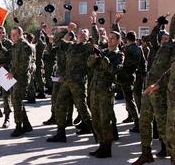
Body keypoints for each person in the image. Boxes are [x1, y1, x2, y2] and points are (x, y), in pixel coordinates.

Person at [132, 14, 175, 165]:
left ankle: (169, 152)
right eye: (162, 38)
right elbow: (152, 36)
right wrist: (159, 24)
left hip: (161, 91)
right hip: (149, 89)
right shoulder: (160, 47)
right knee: (144, 121)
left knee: (164, 127)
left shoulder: (173, 48)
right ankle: (146, 153)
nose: (163, 40)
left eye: (166, 38)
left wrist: (158, 85)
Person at [47, 22, 96, 142]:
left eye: (85, 31)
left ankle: (97, 133)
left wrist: (93, 25)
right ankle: (60, 133)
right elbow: (57, 41)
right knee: (60, 104)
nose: (82, 32)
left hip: (78, 82)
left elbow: (95, 40)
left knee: (82, 108)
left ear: (87, 36)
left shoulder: (87, 47)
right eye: (81, 30)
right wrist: (67, 31)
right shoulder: (71, 46)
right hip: (67, 80)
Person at [88, 30, 124, 158]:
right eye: (109, 38)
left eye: (113, 38)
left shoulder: (119, 55)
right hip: (94, 90)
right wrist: (95, 57)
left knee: (105, 121)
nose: (110, 40)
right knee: (96, 120)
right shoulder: (102, 51)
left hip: (106, 92)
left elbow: (113, 70)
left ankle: (107, 148)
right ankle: (101, 145)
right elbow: (89, 64)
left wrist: (103, 58)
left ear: (118, 41)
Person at [113, 14, 145, 133]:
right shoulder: (139, 48)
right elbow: (143, 63)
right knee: (132, 99)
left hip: (126, 76)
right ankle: (133, 118)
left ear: (127, 39)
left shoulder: (127, 49)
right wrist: (143, 74)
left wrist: (116, 24)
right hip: (135, 75)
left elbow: (119, 39)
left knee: (130, 100)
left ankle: (137, 123)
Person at [6, 26, 34, 137]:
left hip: (21, 77)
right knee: (17, 101)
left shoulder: (24, 46)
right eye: (11, 34)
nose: (13, 37)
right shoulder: (16, 45)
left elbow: (25, 65)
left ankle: (19, 127)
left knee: (16, 101)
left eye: (15, 34)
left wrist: (13, 73)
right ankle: (26, 125)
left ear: (20, 34)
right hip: (15, 76)